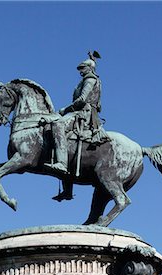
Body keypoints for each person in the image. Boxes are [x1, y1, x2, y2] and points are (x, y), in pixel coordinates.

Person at [45, 51, 109, 200]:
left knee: (58, 125)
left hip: (84, 113)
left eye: (83, 68)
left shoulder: (90, 79)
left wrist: (64, 110)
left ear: (90, 68)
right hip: (81, 111)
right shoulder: (87, 79)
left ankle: (61, 163)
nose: (80, 71)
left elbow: (82, 99)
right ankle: (67, 190)